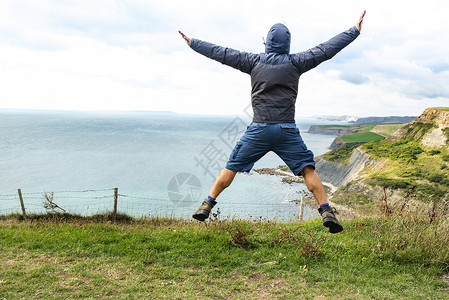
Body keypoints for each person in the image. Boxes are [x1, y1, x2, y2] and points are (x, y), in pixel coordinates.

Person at [179, 11, 366, 233]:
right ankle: (326, 211)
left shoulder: (253, 61)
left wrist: (194, 43)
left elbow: (223, 53)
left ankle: (207, 204)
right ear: (287, 44)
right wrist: (353, 31)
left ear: (267, 43)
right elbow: (326, 49)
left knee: (232, 166)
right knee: (307, 170)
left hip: (258, 130)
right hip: (286, 130)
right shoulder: (297, 62)